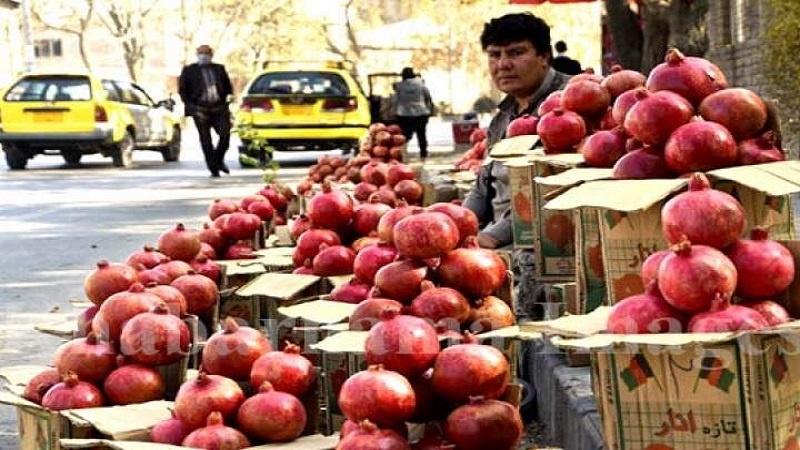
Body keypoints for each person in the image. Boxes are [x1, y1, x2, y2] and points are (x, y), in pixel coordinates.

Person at [463, 13, 571, 250]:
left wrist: (491, 237)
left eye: (516, 53)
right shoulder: (502, 116)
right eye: (494, 55)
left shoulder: (571, 106)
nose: (503, 65)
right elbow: (482, 188)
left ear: (544, 57)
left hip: (541, 245)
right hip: (493, 240)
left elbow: (554, 190)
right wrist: (455, 225)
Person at [178, 44, 234, 178]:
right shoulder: (189, 70)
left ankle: (218, 159)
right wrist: (191, 106)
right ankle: (213, 168)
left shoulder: (219, 69)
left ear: (211, 55)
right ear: (197, 54)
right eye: (201, 53)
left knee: (225, 135)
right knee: (205, 140)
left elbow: (227, 87)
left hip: (219, 108)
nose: (204, 55)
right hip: (200, 109)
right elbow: (183, 90)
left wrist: (229, 99)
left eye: (207, 53)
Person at [393, 67, 435, 160]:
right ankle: (423, 153)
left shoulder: (399, 86)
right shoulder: (420, 84)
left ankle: (402, 154)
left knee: (405, 136)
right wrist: (430, 109)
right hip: (421, 113)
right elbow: (428, 97)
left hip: (404, 114)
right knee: (421, 134)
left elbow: (395, 100)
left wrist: (394, 112)